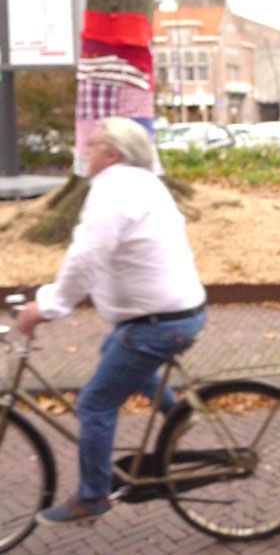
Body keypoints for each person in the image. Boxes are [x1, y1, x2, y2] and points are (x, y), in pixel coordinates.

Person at [17, 117, 206, 526]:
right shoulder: (141, 183)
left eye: (94, 142)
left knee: (95, 403)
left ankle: (92, 496)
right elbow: (100, 256)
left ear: (113, 153)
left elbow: (86, 257)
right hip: (174, 313)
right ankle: (177, 414)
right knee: (113, 350)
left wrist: (46, 307)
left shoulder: (114, 189)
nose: (86, 147)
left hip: (158, 323)